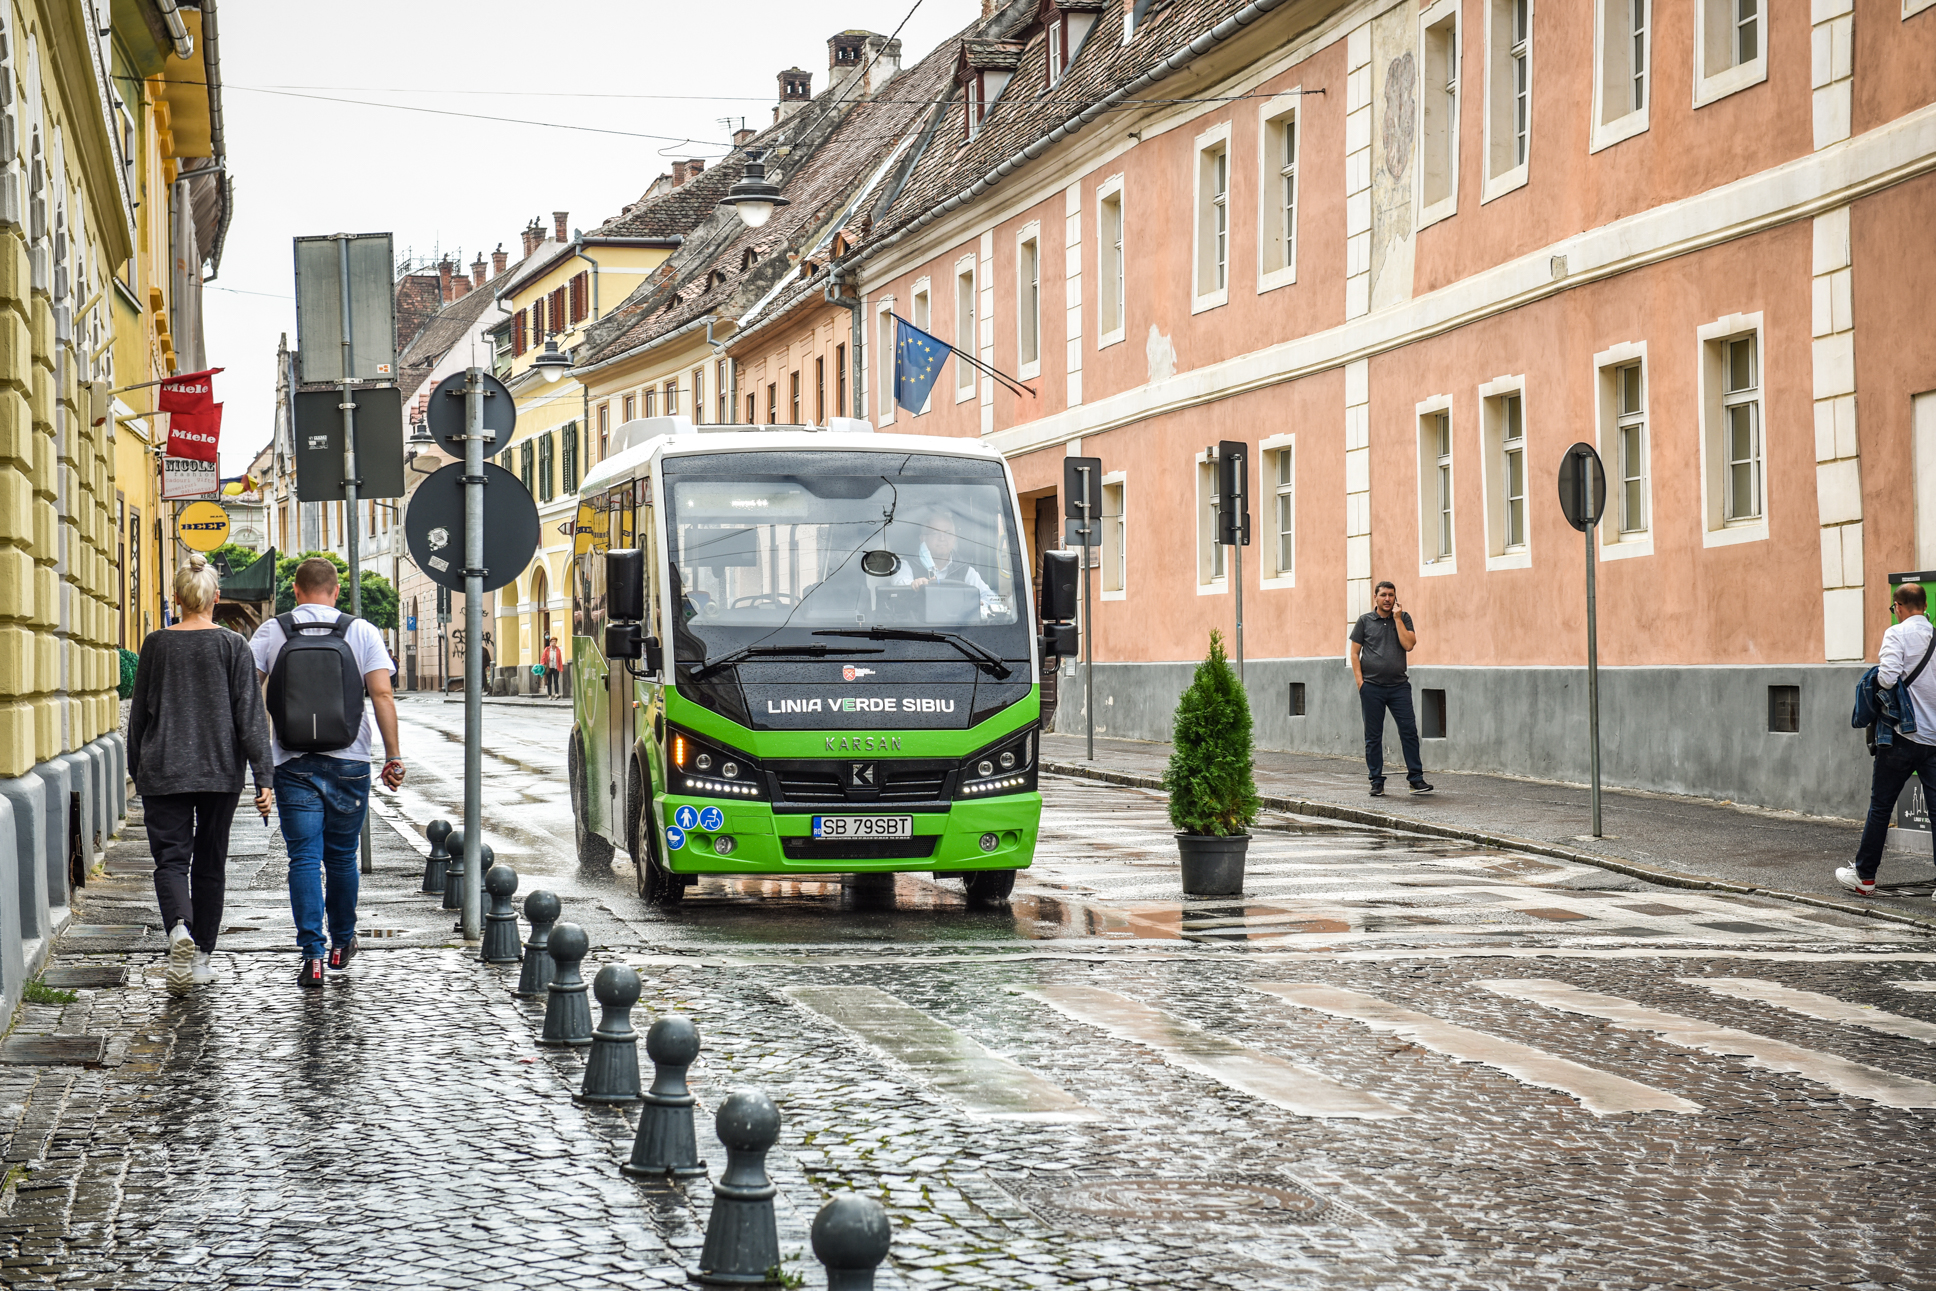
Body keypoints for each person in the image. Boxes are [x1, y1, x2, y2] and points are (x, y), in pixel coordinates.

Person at [251, 558, 406, 987]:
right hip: (350, 761)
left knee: (303, 857)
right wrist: (393, 756)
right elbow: (382, 695)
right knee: (341, 856)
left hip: (291, 762)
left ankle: (312, 956)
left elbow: (246, 693)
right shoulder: (362, 631)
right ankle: (341, 942)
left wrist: (258, 760)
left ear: (296, 591)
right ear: (336, 591)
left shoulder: (273, 631)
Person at [127, 555, 273, 993]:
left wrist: (138, 770)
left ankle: (178, 929)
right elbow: (250, 716)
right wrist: (264, 777)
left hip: (163, 769)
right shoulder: (233, 645)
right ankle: (202, 957)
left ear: (177, 598)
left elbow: (138, 717)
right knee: (210, 863)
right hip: (219, 771)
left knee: (171, 860)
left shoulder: (155, 644)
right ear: (216, 598)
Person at [1840, 581, 1936, 898]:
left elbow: (1886, 677)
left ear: (1898, 607)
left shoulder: (1897, 634)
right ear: (1925, 606)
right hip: (1934, 739)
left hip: (1901, 737)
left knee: (1881, 808)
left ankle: (1865, 877)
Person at [1349, 580, 1434, 798]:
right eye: (1383, 595)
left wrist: (1397, 619)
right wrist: (1360, 683)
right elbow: (1354, 653)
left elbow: (1409, 645)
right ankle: (1376, 781)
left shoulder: (1403, 618)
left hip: (1399, 687)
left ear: (1395, 598)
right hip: (1372, 687)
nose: (1387, 599)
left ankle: (1416, 779)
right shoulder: (1365, 621)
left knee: (1409, 732)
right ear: (1375, 598)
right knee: (1373, 736)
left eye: (1391, 595)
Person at [890, 511, 1000, 610]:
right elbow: (900, 584)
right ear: (923, 538)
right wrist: (914, 585)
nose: (942, 538)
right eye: (935, 533)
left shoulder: (965, 570)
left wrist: (979, 605)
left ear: (954, 538)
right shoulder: (905, 565)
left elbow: (992, 598)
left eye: (948, 533)